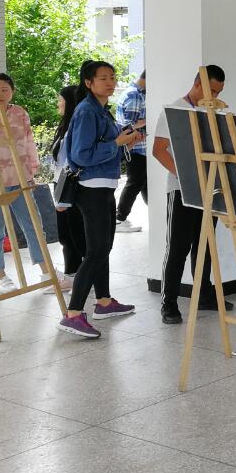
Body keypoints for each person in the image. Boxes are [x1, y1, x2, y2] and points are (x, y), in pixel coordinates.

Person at [57, 61, 143, 338]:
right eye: (103, 78)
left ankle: (104, 302)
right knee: (96, 251)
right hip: (91, 189)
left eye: (112, 77)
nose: (110, 82)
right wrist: (116, 144)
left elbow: (103, 146)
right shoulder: (86, 111)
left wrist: (124, 141)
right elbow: (81, 155)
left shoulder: (100, 110)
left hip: (103, 186)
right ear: (88, 82)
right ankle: (73, 314)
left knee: (103, 247)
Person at [0, 72, 62, 294]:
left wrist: (31, 172)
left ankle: (46, 272)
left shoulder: (20, 113)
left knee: (34, 225)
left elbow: (28, 143)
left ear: (12, 92)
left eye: (4, 90)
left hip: (19, 179)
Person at [151, 65, 234, 326]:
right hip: (182, 189)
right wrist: (185, 175)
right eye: (212, 90)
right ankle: (169, 303)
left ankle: (204, 295)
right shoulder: (174, 110)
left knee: (205, 244)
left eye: (219, 92)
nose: (215, 96)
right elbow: (159, 150)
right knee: (178, 247)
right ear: (198, 84)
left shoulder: (214, 112)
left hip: (210, 188)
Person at [49, 86, 85, 289]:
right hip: (61, 183)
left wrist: (62, 195)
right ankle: (72, 274)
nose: (58, 104)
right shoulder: (65, 126)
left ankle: (77, 276)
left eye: (60, 100)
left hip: (69, 185)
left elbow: (68, 163)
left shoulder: (75, 128)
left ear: (70, 102)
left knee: (73, 232)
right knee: (66, 234)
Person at [113, 69, 146, 232]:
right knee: (134, 183)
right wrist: (147, 120)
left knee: (142, 183)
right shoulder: (134, 95)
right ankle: (119, 218)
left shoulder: (133, 92)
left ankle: (120, 217)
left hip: (137, 148)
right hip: (136, 148)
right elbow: (129, 126)